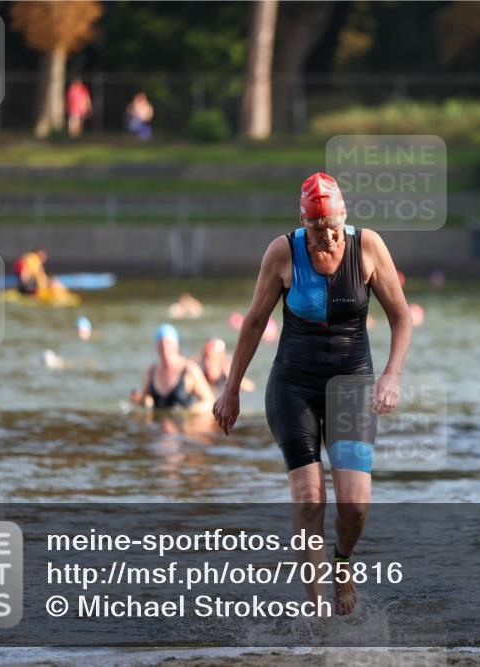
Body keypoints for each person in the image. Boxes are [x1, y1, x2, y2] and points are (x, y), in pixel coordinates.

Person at [213, 172, 412, 616]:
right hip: (294, 385)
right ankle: (317, 609)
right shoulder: (284, 251)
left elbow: (402, 318)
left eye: (332, 226)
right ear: (304, 222)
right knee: (308, 498)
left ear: (344, 213)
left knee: (355, 504)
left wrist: (392, 376)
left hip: (352, 384)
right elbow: (252, 323)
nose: (326, 236)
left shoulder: (368, 247)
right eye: (316, 228)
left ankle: (342, 562)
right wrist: (230, 392)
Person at [132, 324, 214, 413]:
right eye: (161, 343)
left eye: (168, 343)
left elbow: (209, 401)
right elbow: (145, 398)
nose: (165, 347)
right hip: (158, 424)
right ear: (157, 346)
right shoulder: (151, 372)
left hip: (183, 424)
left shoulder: (189, 370)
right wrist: (138, 400)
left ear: (176, 345)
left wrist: (188, 413)